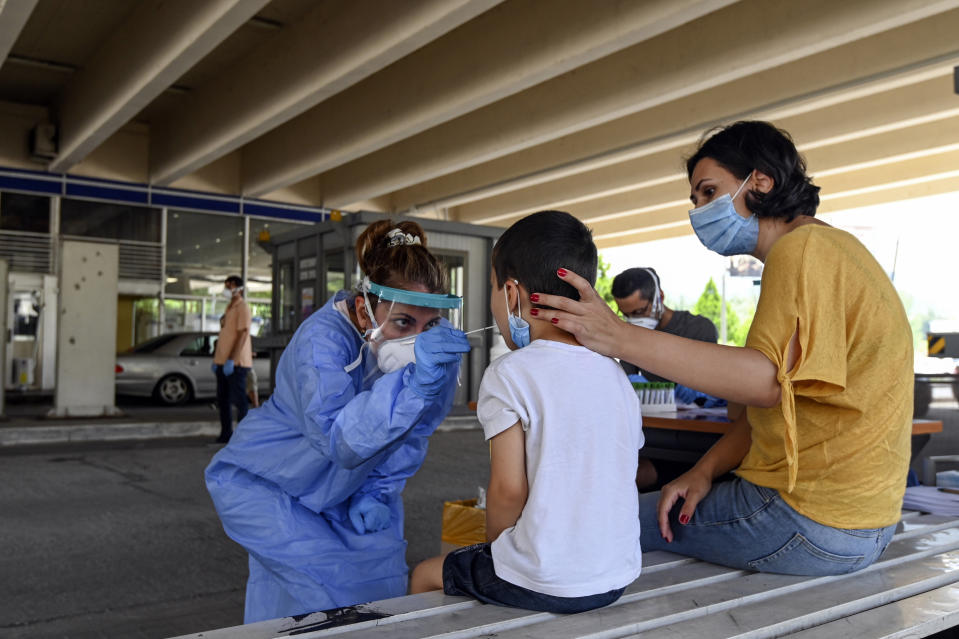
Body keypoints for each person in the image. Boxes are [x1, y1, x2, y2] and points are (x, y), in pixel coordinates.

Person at [528, 121, 913, 577]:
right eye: (694, 200)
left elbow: (764, 381)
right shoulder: (838, 250)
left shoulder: (800, 250)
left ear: (761, 182)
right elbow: (781, 402)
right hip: (864, 525)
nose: (699, 212)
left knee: (584, 524)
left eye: (709, 193)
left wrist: (617, 335)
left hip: (807, 519)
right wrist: (704, 471)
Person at [205, 220, 471, 623]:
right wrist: (414, 385)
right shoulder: (322, 342)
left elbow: (414, 431)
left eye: (428, 324)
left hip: (351, 489)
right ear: (365, 308)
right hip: (272, 484)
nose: (416, 338)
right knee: (315, 600)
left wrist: (378, 491)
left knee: (381, 599)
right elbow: (339, 440)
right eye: (403, 324)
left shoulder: (430, 339)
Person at [410, 210, 643, 613]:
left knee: (424, 575)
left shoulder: (508, 373)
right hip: (616, 575)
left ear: (512, 293)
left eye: (493, 288)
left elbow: (508, 491)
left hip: (548, 581)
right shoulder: (614, 370)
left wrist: (498, 555)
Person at [611, 267, 717, 382]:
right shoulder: (632, 337)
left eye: (639, 312)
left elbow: (715, 379)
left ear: (660, 298)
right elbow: (627, 377)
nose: (633, 320)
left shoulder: (698, 328)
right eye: (626, 315)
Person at [212, 275, 252, 443]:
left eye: (229, 286)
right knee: (223, 401)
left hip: (236, 363)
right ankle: (226, 434)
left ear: (238, 288)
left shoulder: (243, 307)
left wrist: (231, 359)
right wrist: (217, 360)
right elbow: (225, 337)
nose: (227, 289)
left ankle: (242, 437)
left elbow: (243, 335)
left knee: (240, 401)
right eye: (226, 286)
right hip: (223, 362)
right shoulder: (230, 308)